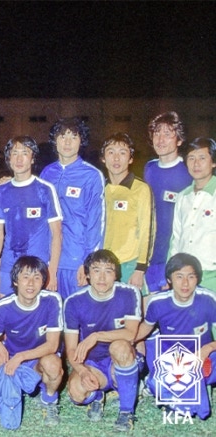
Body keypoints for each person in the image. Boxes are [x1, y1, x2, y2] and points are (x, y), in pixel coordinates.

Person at [63, 249, 142, 432]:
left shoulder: (129, 293)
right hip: (93, 363)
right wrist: (82, 371)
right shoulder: (74, 302)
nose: (102, 277)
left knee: (119, 346)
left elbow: (131, 334)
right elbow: (71, 349)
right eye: (96, 270)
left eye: (108, 271)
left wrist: (96, 336)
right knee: (76, 394)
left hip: (121, 359)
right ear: (87, 274)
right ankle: (98, 395)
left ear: (116, 274)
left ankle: (126, 411)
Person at [134, 253, 216, 419]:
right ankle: (173, 391)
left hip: (204, 356)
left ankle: (190, 391)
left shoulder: (207, 299)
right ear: (169, 280)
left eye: (191, 276)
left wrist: (207, 348)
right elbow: (144, 329)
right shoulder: (158, 302)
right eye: (179, 276)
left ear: (198, 279)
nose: (185, 283)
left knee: (199, 405)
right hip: (174, 359)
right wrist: (126, 340)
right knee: (157, 383)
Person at [0, 256, 64, 427]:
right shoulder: (1, 308)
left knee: (53, 365)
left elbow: (53, 345)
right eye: (25, 277)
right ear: (15, 281)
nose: (31, 283)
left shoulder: (52, 301)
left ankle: (48, 400)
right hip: (13, 360)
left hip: (39, 358)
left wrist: (21, 356)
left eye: (37, 277)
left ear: (43, 281)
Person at [0, 136, 63, 296]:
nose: (19, 159)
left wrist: (52, 271)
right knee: (6, 306)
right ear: (8, 159)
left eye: (25, 153)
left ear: (32, 158)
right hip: (9, 263)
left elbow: (56, 234)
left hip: (37, 265)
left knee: (35, 308)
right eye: (14, 153)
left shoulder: (45, 189)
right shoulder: (1, 191)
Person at [40, 118, 105, 299]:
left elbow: (96, 223)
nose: (67, 142)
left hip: (76, 262)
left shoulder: (92, 175)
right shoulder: (47, 173)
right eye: (62, 136)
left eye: (73, 137)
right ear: (55, 141)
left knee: (78, 313)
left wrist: (88, 262)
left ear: (81, 141)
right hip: (48, 261)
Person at [143, 112, 192, 293]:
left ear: (179, 140)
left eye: (167, 134)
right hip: (147, 257)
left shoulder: (188, 172)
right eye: (157, 133)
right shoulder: (149, 168)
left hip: (172, 258)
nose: (160, 139)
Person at [101, 133, 154, 293]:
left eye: (122, 153)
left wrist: (140, 268)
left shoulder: (140, 189)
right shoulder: (100, 188)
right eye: (111, 152)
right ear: (103, 158)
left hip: (130, 264)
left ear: (131, 159)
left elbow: (147, 230)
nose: (116, 158)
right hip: (104, 265)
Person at [169, 137, 216, 291]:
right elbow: (176, 238)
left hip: (211, 275)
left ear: (213, 162)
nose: (196, 164)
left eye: (202, 158)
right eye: (191, 158)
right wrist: (171, 270)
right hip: (184, 276)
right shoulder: (183, 196)